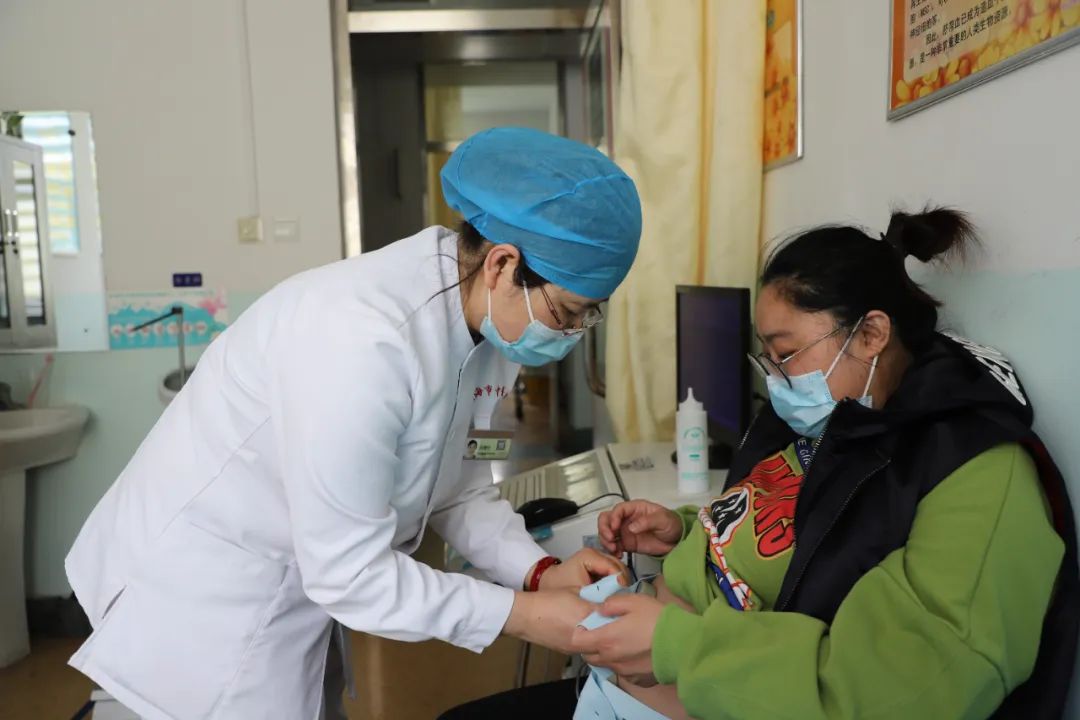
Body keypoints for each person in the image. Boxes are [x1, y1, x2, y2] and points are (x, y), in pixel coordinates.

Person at [63, 127, 641, 719]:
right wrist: (523, 616)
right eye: (568, 312)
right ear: (502, 263)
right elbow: (350, 575)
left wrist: (538, 572)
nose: (572, 333)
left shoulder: (490, 329)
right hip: (204, 600)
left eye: (587, 317)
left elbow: (461, 486)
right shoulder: (361, 342)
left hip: (304, 588)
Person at [441, 208, 1079, 720]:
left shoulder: (976, 477)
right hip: (626, 687)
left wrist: (676, 645)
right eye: (767, 357)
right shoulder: (835, 417)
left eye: (786, 352)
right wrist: (685, 531)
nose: (776, 379)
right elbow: (792, 535)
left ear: (871, 334)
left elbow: (896, 690)